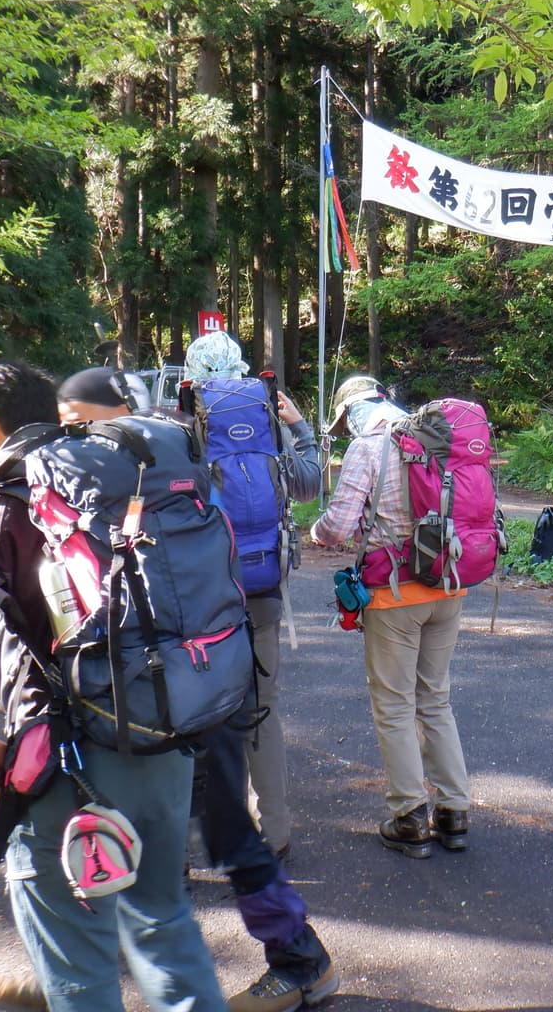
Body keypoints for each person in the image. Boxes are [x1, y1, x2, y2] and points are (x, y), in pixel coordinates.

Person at [0, 361, 229, 1012]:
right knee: (163, 924)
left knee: (78, 960)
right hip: (167, 733)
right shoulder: (131, 477)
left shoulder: (1, 505)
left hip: (68, 763)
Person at [48, 357, 338, 1012]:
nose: (73, 436)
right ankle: (296, 959)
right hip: (215, 665)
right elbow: (293, 491)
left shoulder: (96, 480)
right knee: (222, 826)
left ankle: (91, 979)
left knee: (172, 833)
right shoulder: (185, 454)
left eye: (75, 421)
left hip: (146, 688)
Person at [310, 374, 472, 858]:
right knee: (435, 699)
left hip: (396, 594)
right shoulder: (439, 439)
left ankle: (410, 817)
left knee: (395, 705)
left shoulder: (368, 448)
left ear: (352, 413)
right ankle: (454, 811)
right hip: (449, 583)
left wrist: (315, 532)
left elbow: (338, 528)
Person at [184, 330, 323, 857]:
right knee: (262, 709)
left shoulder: (185, 428)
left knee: (199, 714)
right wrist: (300, 428)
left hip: (206, 596)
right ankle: (277, 831)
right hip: (263, 585)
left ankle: (205, 834)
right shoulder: (268, 420)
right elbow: (307, 485)